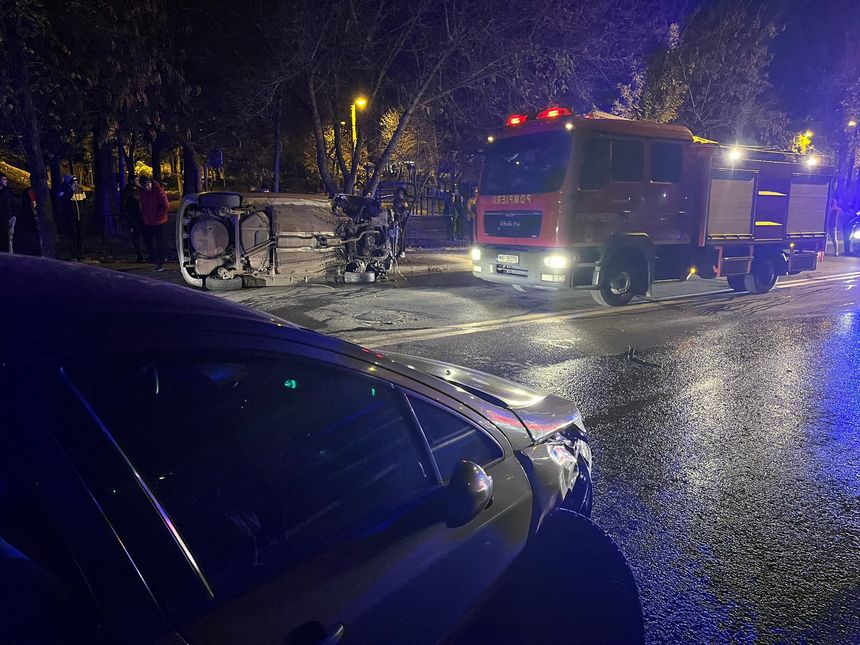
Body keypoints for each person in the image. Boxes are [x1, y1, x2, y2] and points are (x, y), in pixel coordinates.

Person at [138, 175, 169, 271]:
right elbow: (143, 205)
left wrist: (160, 215)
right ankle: (157, 258)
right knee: (148, 241)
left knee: (160, 241)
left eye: (148, 185)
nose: (147, 187)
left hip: (159, 221)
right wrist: (144, 215)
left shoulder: (157, 190)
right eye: (145, 186)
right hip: (149, 221)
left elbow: (165, 205)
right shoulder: (143, 192)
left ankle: (161, 261)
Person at [57, 176, 84, 259]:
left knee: (80, 236)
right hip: (70, 217)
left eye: (76, 182)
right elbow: (62, 200)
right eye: (73, 182)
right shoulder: (65, 190)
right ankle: (73, 253)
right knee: (72, 236)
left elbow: (83, 203)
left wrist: (84, 214)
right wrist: (70, 192)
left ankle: (80, 253)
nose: (76, 184)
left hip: (80, 217)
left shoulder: (80, 190)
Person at [120, 176, 145, 262]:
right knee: (136, 237)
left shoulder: (140, 190)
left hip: (141, 216)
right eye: (136, 180)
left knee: (144, 235)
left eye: (138, 180)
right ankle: (139, 255)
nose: (137, 182)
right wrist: (127, 217)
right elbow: (124, 205)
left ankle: (147, 253)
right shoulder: (127, 192)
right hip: (133, 217)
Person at [0, 173, 14, 253]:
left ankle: (9, 254)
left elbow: (10, 204)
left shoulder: (7, 191)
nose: (6, 181)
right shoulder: (6, 192)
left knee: (9, 237)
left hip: (8, 216)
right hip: (4, 216)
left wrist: (12, 215)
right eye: (4, 179)